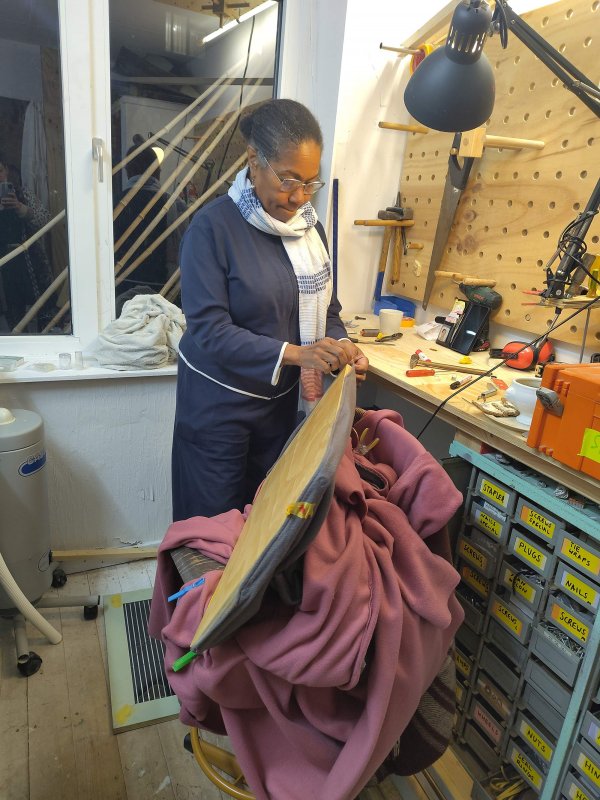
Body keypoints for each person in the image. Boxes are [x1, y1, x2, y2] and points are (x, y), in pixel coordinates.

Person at [172, 98, 368, 521]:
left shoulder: (309, 231)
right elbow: (209, 330)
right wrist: (299, 354)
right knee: (214, 530)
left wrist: (342, 346)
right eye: (288, 180)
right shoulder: (212, 230)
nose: (299, 197)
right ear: (253, 161)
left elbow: (328, 310)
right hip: (218, 410)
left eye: (310, 183)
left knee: (267, 521)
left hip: (277, 409)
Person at [0, 155, 56, 332]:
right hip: (4, 268)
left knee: (42, 312)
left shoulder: (23, 194)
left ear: (6, 170)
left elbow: (45, 220)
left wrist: (20, 208)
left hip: (31, 263)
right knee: (13, 316)